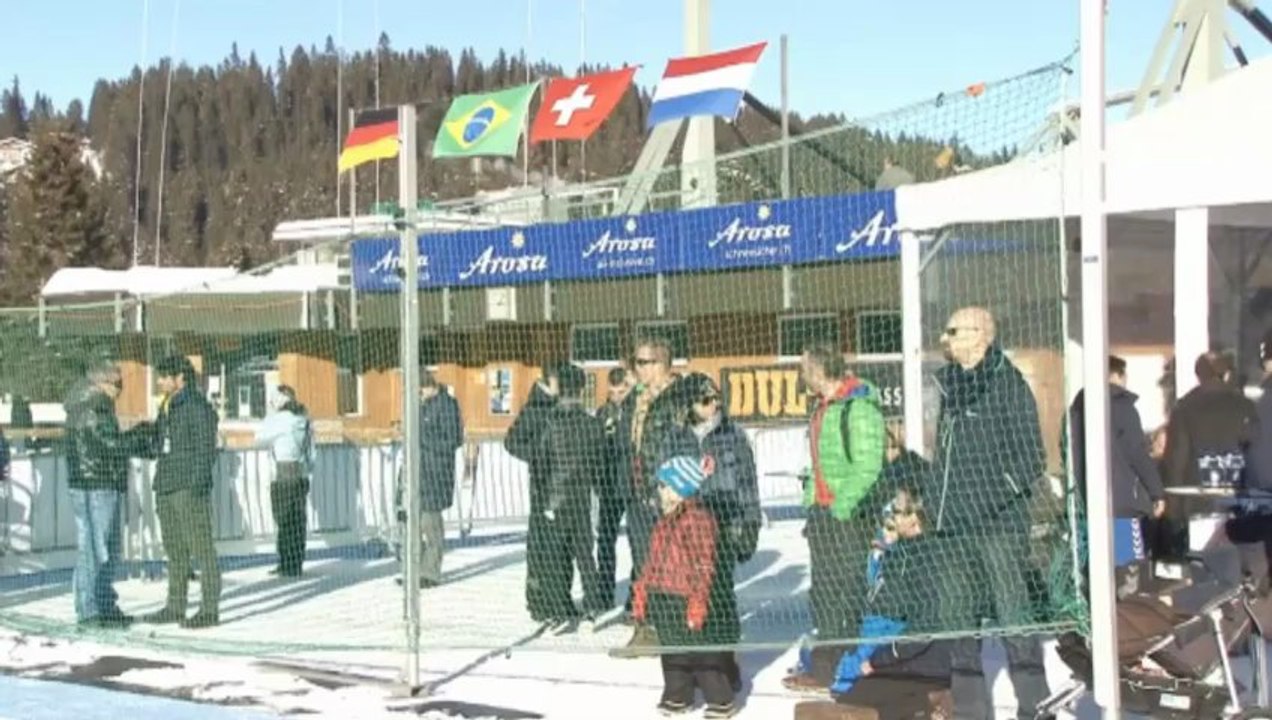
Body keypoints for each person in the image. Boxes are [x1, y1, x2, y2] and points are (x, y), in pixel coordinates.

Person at [929, 307, 1048, 720]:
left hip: (998, 525)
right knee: (958, 624)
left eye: (953, 330)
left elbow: (1032, 456)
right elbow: (944, 460)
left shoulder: (1007, 384)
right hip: (952, 528)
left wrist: (985, 500)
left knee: (1014, 619)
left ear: (980, 335)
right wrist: (934, 504)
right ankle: (971, 712)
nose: (945, 338)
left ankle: (1037, 708)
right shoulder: (952, 386)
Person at [794, 486, 954, 720]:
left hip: (923, 662)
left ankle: (933, 699)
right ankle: (925, 702)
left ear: (914, 518)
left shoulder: (922, 557)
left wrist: (881, 658)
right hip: (904, 654)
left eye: (896, 513)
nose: (890, 516)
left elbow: (918, 627)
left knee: (853, 697)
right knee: (848, 691)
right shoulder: (902, 552)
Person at [784, 342, 887, 692]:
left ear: (817, 370)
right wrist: (812, 501)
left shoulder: (858, 407)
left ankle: (851, 668)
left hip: (849, 516)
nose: (800, 374)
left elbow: (868, 465)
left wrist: (842, 506)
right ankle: (827, 668)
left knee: (848, 593)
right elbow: (819, 463)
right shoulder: (822, 408)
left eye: (803, 367)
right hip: (824, 515)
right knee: (824, 594)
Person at [632, 455, 739, 719]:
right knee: (671, 650)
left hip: (685, 596)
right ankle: (677, 695)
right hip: (662, 595)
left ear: (680, 489)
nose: (659, 491)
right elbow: (650, 563)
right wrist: (642, 593)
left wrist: (698, 602)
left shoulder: (699, 521)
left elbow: (704, 566)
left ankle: (720, 697)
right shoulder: (661, 523)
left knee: (700, 650)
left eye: (664, 486)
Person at [137, 355, 222, 629]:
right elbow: (161, 443)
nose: (160, 382)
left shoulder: (197, 407)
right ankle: (175, 605)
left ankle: (209, 609)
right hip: (167, 483)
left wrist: (196, 485)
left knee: (202, 548)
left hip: (187, 487)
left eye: (164, 376)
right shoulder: (168, 405)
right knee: (174, 549)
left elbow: (206, 449)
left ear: (180, 377)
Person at [63, 362, 148, 628]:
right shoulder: (93, 406)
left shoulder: (92, 404)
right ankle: (89, 609)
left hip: (99, 482)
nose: (120, 389)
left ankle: (104, 604)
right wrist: (140, 437)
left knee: (107, 549)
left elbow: (108, 441)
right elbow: (110, 443)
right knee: (95, 548)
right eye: (117, 383)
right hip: (95, 484)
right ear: (104, 382)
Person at [1067, 355, 1165, 573]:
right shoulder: (1123, 407)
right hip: (1120, 502)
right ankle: (1122, 606)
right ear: (1118, 375)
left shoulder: (1077, 408)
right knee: (1125, 569)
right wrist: (1156, 492)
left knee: (1092, 569)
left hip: (1086, 502)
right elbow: (1137, 453)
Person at [617, 336, 684, 648]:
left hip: (668, 496)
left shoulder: (679, 397)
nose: (637, 369)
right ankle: (647, 626)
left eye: (643, 363)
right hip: (638, 494)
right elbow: (626, 445)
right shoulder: (635, 399)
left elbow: (689, 446)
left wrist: (674, 489)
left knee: (672, 563)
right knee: (643, 562)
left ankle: (674, 626)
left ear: (661, 364)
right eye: (636, 362)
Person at [535, 362, 608, 629]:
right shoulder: (592, 424)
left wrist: (542, 493)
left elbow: (541, 461)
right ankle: (592, 603)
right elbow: (600, 460)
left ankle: (558, 609)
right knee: (584, 553)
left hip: (556, 496)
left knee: (556, 555)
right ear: (581, 389)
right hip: (581, 495)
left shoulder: (551, 422)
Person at [506, 363, 565, 621]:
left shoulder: (562, 407)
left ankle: (558, 598)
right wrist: (538, 457)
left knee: (561, 545)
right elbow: (511, 441)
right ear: (551, 381)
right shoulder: (535, 408)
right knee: (540, 544)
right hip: (542, 486)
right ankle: (538, 601)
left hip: (564, 485)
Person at [402, 369, 464, 588]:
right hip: (418, 472)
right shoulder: (422, 405)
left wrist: (424, 439)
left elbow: (454, 439)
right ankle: (415, 570)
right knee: (413, 525)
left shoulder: (447, 405)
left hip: (435, 473)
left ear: (426, 386)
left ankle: (431, 572)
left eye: (418, 390)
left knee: (431, 525)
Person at [255, 385, 316, 578]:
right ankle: (296, 563)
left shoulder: (279, 421)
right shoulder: (304, 420)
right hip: (300, 473)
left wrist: (270, 415)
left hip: (281, 473)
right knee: (298, 520)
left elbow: (258, 438)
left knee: (283, 519)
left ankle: (285, 562)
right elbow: (312, 452)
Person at [596, 365, 635, 610]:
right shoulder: (603, 413)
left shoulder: (636, 411)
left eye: (622, 391)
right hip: (609, 484)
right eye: (614, 392)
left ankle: (636, 596)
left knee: (637, 541)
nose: (617, 396)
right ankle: (604, 592)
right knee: (605, 541)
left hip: (632, 483)